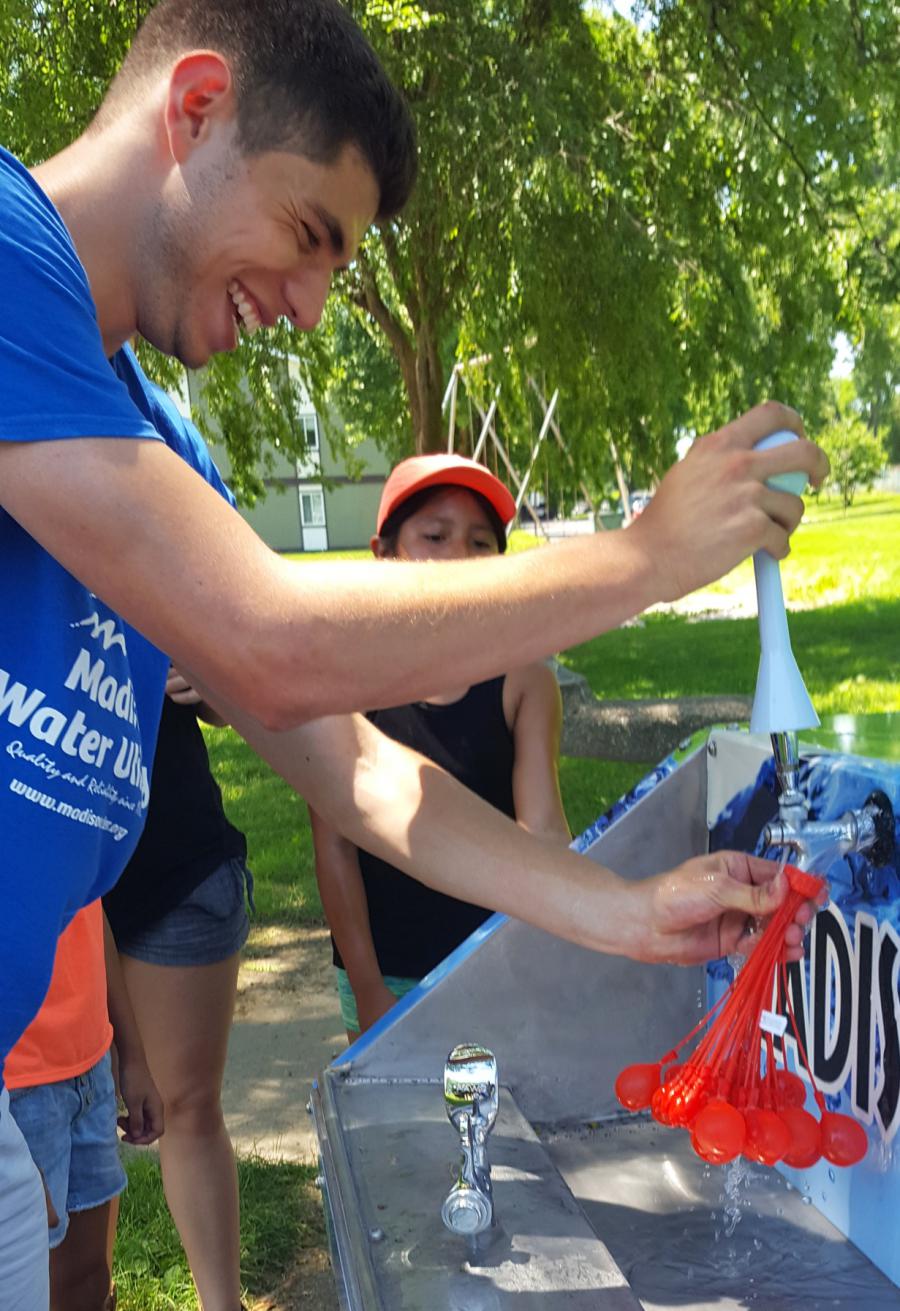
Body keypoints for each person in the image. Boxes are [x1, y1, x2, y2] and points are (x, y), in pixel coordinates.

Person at [0, 1, 828, 1305]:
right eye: (309, 234)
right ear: (197, 107)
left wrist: (621, 908)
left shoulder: (163, 446)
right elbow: (269, 644)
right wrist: (643, 560)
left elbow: (361, 776)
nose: (313, 306)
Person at [312, 455, 572, 1042]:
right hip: (383, 976)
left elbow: (545, 836)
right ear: (384, 553)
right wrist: (370, 989)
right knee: (396, 1132)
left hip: (494, 970)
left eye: (481, 543)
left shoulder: (526, 681)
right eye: (434, 536)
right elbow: (333, 847)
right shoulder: (344, 683)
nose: (458, 556)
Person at [103, 677, 253, 1311]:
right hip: (48, 878)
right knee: (66, 1116)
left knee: (186, 1105)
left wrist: (210, 674)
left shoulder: (152, 571)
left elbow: (232, 698)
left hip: (173, 862)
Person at [5, 901, 164, 1311]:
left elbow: (92, 912)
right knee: (24, 1282)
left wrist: (132, 1052)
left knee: (89, 1277)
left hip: (89, 1067)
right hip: (17, 1088)